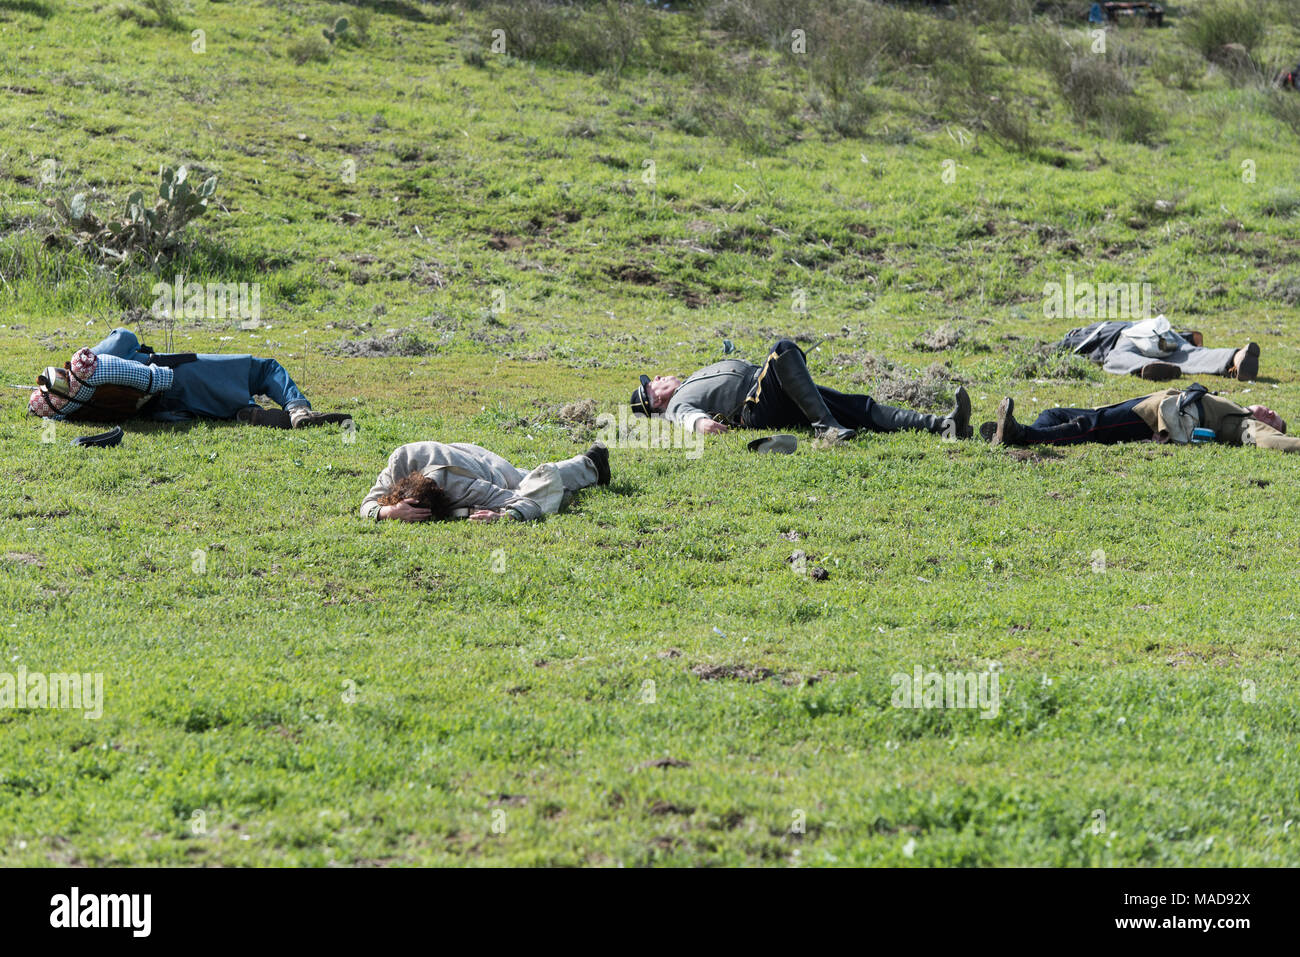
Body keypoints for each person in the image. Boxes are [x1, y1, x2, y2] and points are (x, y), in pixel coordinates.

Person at [630, 338, 971, 443]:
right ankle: (826, 428)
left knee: (857, 406)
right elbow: (685, 417)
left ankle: (944, 426)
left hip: (772, 390)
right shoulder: (675, 405)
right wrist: (699, 425)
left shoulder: (688, 382)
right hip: (756, 405)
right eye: (653, 382)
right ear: (655, 398)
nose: (658, 377)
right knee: (782, 351)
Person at [27, 327, 351, 428]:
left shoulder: (75, 403)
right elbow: (124, 336)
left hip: (160, 411)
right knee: (263, 369)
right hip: (178, 373)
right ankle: (297, 409)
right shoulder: (95, 363)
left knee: (211, 401)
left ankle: (242, 412)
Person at [982, 386, 1298, 452]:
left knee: (1090, 429)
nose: (1270, 414)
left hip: (1157, 419)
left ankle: (1021, 435)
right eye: (1272, 412)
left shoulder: (1246, 424)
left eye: (1273, 419)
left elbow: (1270, 440)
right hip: (1153, 403)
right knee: (1056, 413)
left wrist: (1286, 438)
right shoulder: (1235, 406)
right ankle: (1011, 433)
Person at [361, 441, 611, 522]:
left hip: (492, 470)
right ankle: (589, 463)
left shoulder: (464, 489)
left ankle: (591, 465)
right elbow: (367, 505)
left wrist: (505, 516)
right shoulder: (398, 466)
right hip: (459, 452)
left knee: (536, 483)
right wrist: (388, 511)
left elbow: (526, 503)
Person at [1059, 319, 1259, 382]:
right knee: (1190, 354)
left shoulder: (1087, 333)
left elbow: (1061, 348)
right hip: (1161, 332)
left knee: (1116, 358)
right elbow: (1195, 340)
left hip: (1129, 338)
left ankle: (1148, 367)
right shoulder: (1117, 321)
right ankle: (1236, 356)